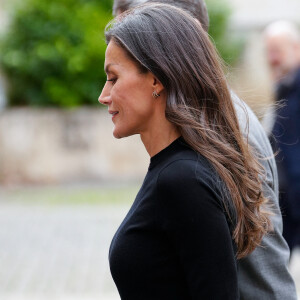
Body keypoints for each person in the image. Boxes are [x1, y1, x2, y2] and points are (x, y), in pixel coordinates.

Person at [110, 2, 297, 300]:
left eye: (142, 30)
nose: (105, 94)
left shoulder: (222, 128)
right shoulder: (186, 146)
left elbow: (252, 266)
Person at [264, 21, 300, 254]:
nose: (271, 58)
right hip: (286, 196)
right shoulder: (283, 87)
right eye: (268, 52)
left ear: (296, 48)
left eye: (277, 50)